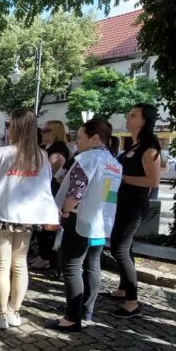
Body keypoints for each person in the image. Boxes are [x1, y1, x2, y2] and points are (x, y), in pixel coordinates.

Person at [0, 108, 59, 329]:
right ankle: (14, 312)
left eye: (10, 125)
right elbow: (45, 189)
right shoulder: (41, 156)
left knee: (2, 266)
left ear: (15, 127)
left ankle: (0, 312)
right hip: (26, 216)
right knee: (20, 264)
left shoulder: (1, 153)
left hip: (3, 213)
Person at [47, 120, 122, 332]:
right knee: (92, 264)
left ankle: (71, 318)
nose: (77, 142)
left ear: (95, 138)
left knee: (71, 266)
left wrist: (66, 209)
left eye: (80, 137)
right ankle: (85, 309)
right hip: (102, 221)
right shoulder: (114, 163)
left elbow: (76, 191)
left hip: (80, 219)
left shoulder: (87, 159)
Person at [103, 104, 162, 318]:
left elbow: (153, 181)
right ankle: (123, 289)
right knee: (125, 248)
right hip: (123, 202)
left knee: (119, 248)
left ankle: (132, 301)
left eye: (133, 116)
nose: (128, 119)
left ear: (144, 120)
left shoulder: (149, 148)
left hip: (134, 205)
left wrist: (122, 178)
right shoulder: (134, 146)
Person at [30, 121, 71, 270]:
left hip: (50, 190)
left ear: (55, 131)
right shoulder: (43, 147)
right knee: (40, 225)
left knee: (47, 225)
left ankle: (47, 257)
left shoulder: (58, 149)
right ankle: (42, 254)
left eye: (46, 130)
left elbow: (53, 170)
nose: (42, 132)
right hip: (40, 190)